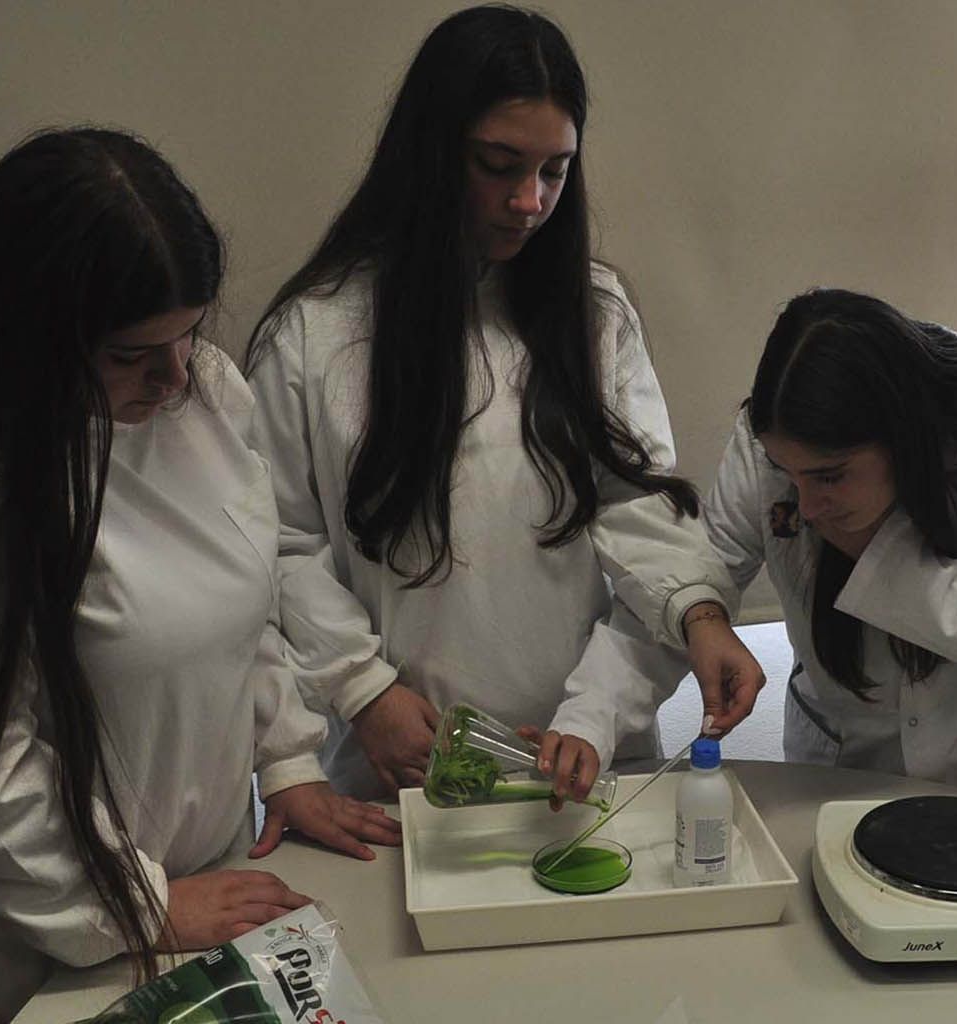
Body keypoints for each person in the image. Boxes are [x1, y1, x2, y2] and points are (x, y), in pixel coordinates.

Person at [0, 128, 399, 1022]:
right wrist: (139, 907)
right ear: (24, 332)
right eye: (131, 353)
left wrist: (288, 756)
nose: (175, 375)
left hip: (186, 887)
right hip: (13, 933)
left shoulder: (202, 395)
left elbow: (242, 607)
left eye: (188, 333)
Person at [246, 5, 763, 806]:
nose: (530, 201)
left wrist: (666, 647)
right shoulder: (315, 334)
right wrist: (362, 690)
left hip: (587, 766)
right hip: (400, 773)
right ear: (431, 154)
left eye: (556, 171)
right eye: (498, 164)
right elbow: (281, 547)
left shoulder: (596, 317)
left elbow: (639, 523)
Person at [704, 288, 957, 811]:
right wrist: (699, 621)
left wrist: (878, 554)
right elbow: (702, 568)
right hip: (839, 774)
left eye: (829, 476)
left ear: (905, 436)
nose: (805, 508)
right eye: (789, 477)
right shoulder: (777, 432)